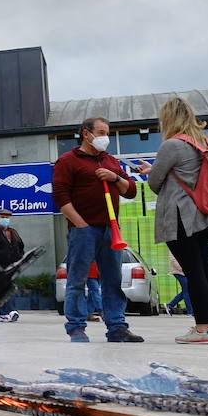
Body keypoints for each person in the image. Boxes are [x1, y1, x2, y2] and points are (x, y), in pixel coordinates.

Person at [133, 98, 208, 344]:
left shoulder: (172, 145)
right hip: (205, 214)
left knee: (193, 272)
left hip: (180, 216)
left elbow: (155, 184)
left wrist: (150, 173)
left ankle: (201, 329)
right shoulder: (204, 143)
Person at [51, 117, 144, 342]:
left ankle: (117, 327)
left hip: (111, 230)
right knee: (77, 280)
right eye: (101, 132)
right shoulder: (67, 161)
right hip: (83, 230)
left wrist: (115, 177)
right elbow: (60, 197)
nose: (105, 137)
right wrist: (80, 224)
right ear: (86, 133)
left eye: (107, 133)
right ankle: (76, 327)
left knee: (112, 280)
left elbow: (130, 191)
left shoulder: (110, 161)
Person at [166, 249, 191, 315]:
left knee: (186, 290)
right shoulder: (173, 245)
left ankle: (170, 305)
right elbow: (174, 261)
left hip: (184, 272)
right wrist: (185, 268)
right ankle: (190, 311)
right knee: (187, 290)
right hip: (178, 272)